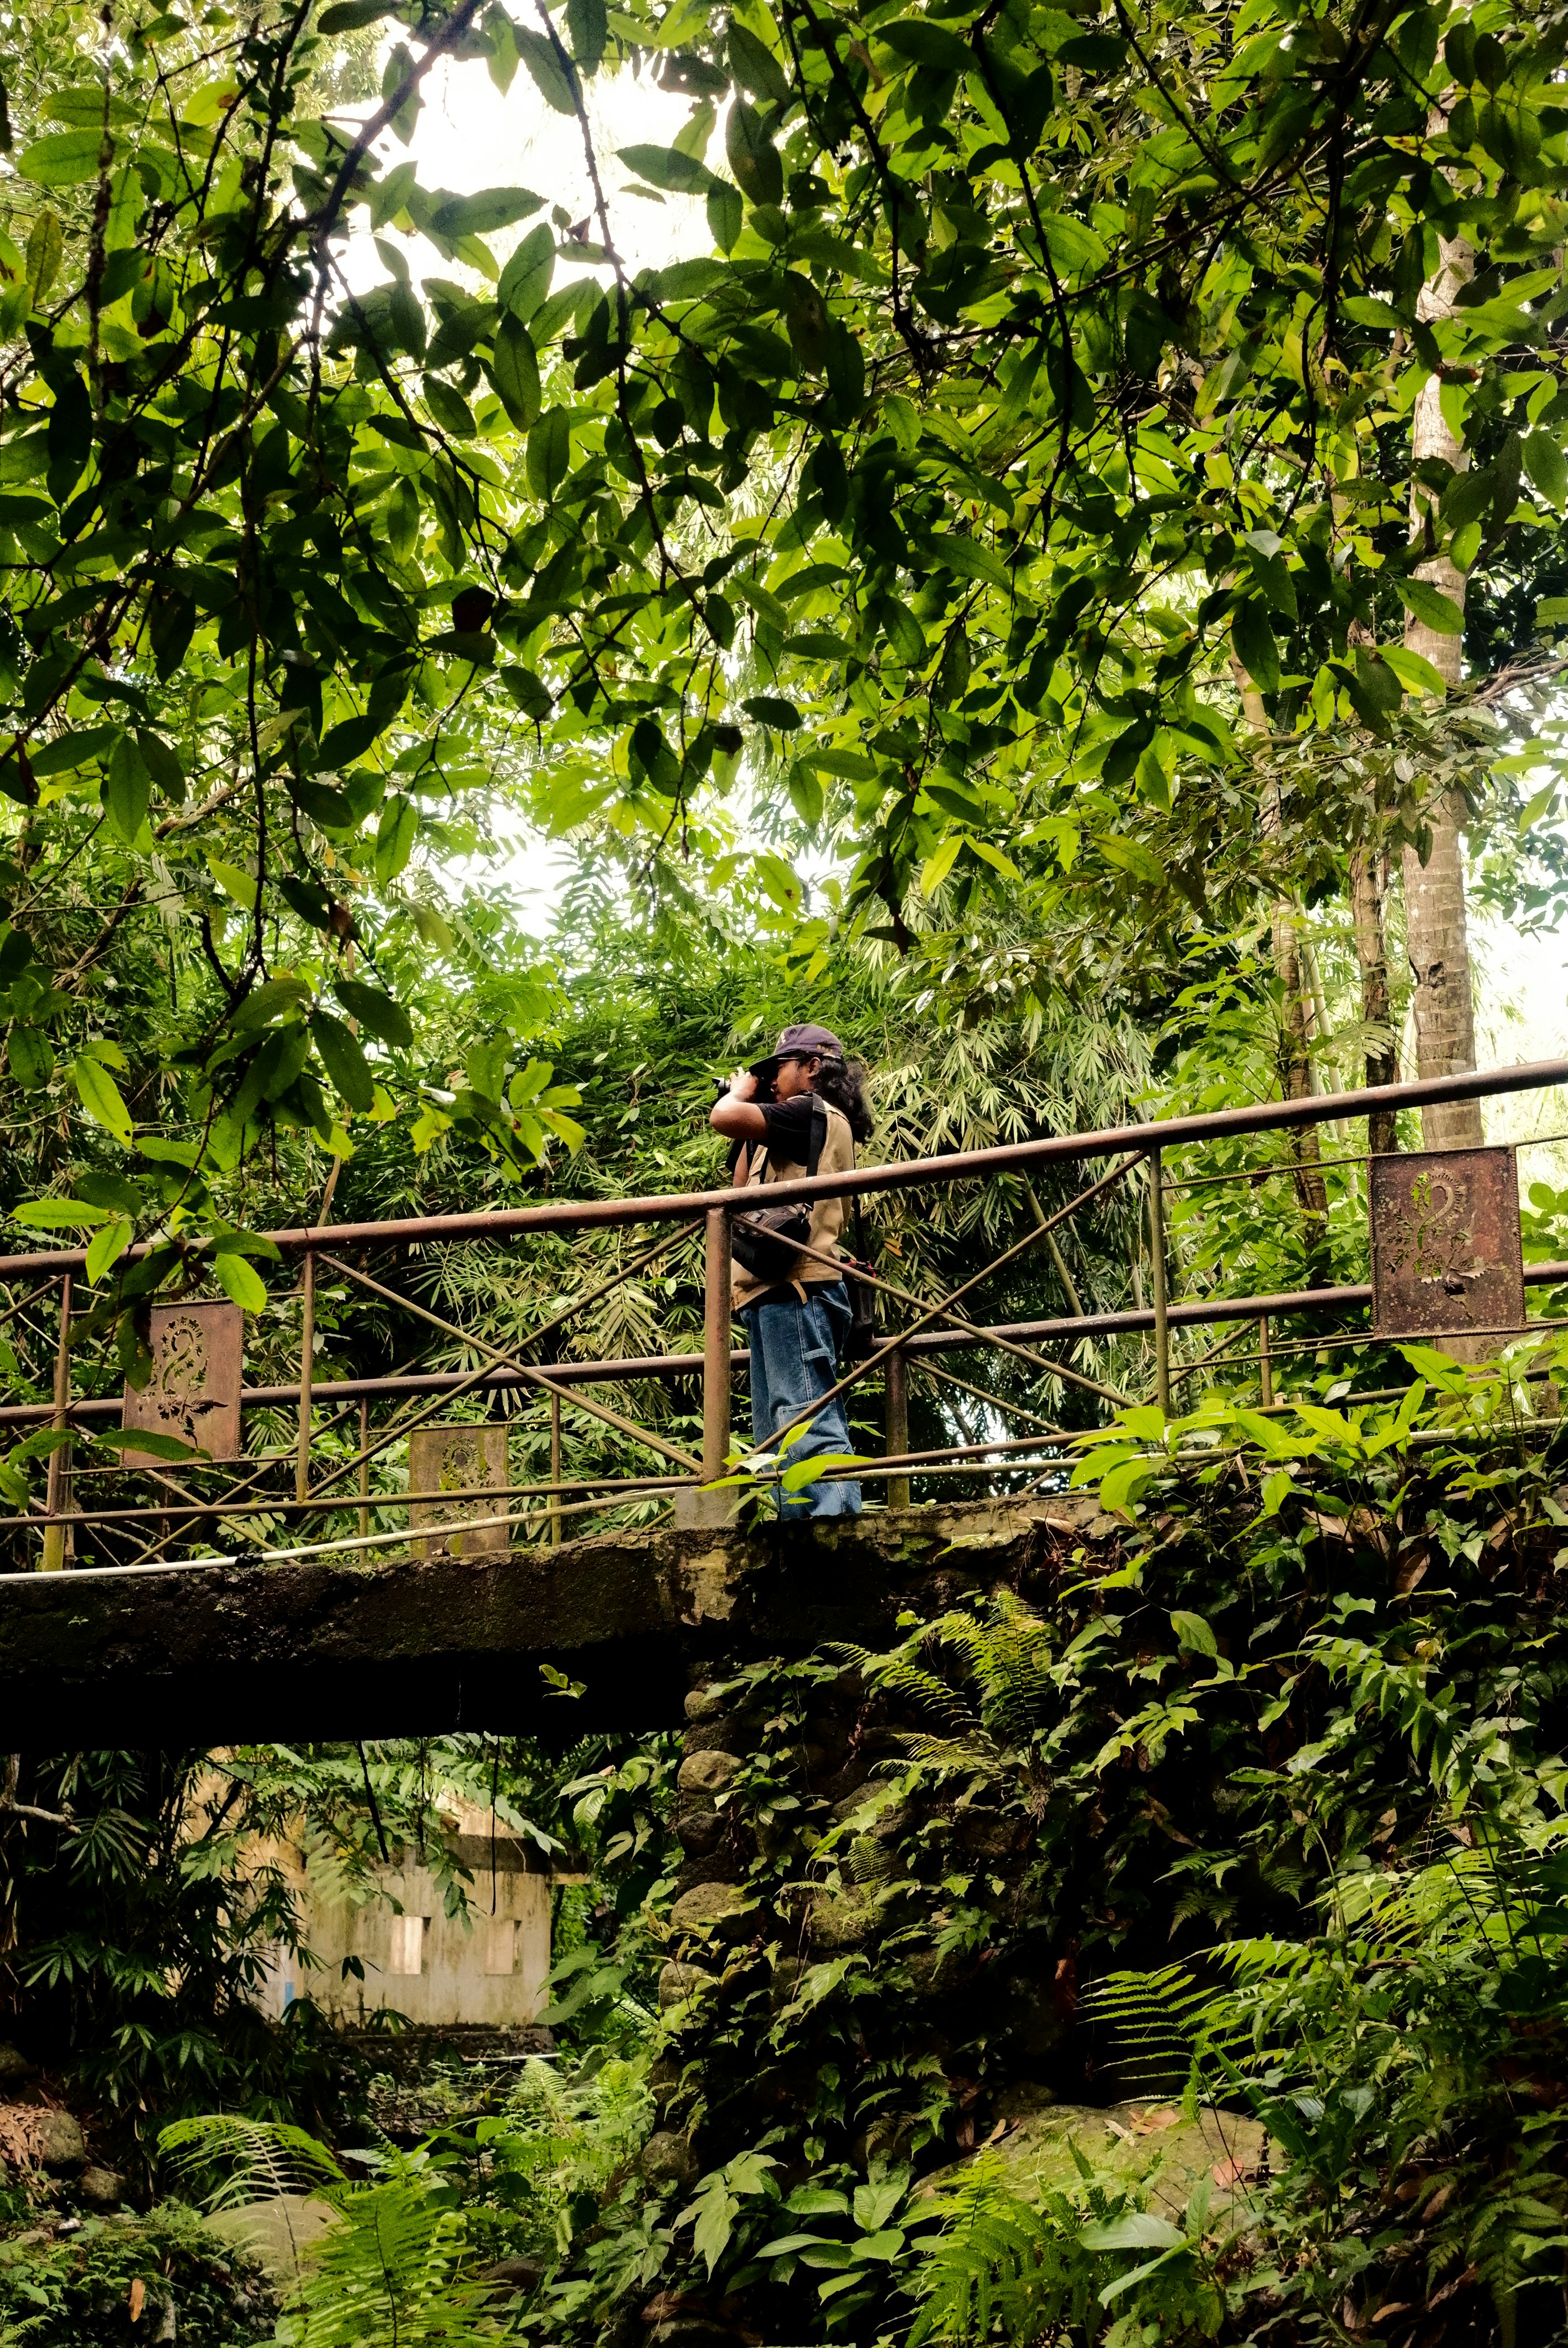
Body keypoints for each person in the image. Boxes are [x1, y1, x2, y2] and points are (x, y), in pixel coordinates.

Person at [710, 1022, 875, 1520]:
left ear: (812, 1068)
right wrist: (746, 1119)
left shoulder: (813, 1111)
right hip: (771, 1290)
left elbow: (724, 1117)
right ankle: (794, 1521)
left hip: (799, 1286)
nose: (770, 1083)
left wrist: (739, 1094)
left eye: (777, 1070)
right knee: (777, 1426)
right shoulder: (784, 1127)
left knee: (804, 1412)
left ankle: (833, 1525)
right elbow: (736, 1196)